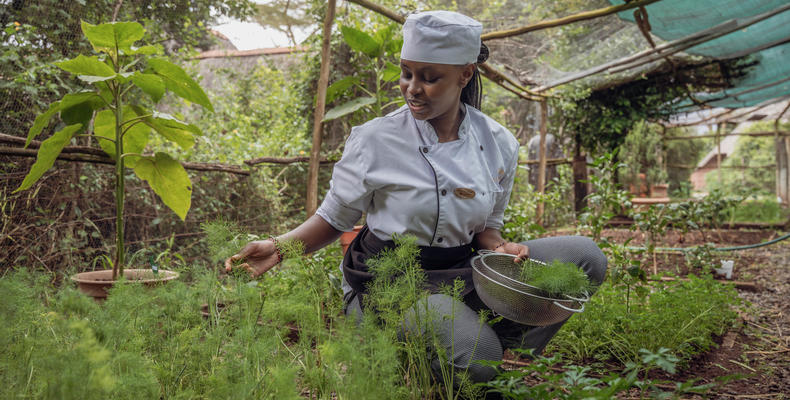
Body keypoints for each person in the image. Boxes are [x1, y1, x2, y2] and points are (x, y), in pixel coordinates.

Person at [225, 10, 607, 386]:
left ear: (465, 74)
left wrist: (500, 247)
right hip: (389, 282)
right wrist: (278, 248)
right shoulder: (375, 139)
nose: (412, 88)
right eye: (406, 73)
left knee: (585, 258)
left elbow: (487, 230)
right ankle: (430, 360)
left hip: (460, 272)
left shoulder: (498, 143)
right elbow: (334, 218)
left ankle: (494, 352)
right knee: (476, 355)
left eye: (429, 77)